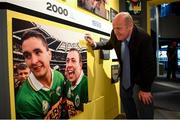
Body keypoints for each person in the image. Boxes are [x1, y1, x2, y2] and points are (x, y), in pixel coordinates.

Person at [85, 12, 156, 119]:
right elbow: (109, 44)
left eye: (119, 28)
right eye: (114, 28)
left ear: (130, 26)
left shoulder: (143, 38)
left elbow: (149, 66)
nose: (116, 31)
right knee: (126, 101)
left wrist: (145, 89)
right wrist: (95, 44)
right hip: (125, 77)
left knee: (144, 104)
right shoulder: (114, 34)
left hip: (141, 77)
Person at [15, 30, 65, 119]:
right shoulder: (25, 100)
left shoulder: (59, 77)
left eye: (37, 52)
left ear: (49, 54)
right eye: (27, 55)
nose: (33, 61)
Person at [63, 48, 88, 118]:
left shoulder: (88, 85)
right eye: (67, 61)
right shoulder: (67, 83)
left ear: (80, 65)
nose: (69, 65)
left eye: (73, 61)